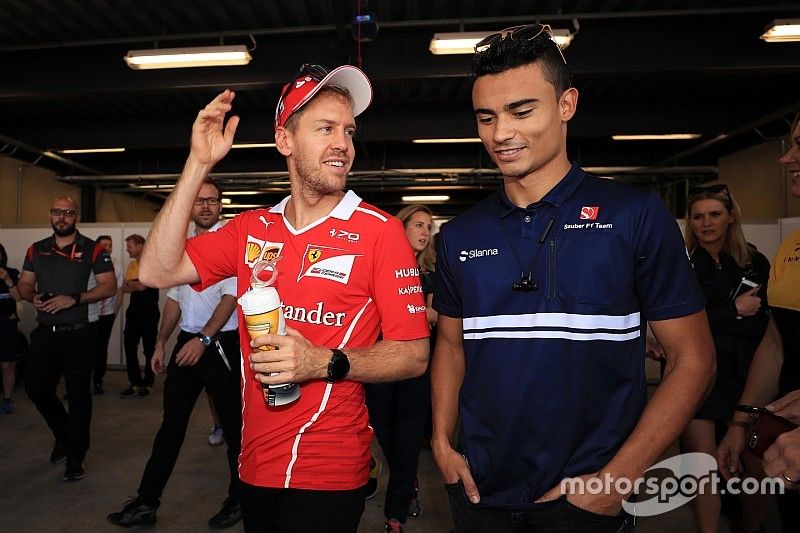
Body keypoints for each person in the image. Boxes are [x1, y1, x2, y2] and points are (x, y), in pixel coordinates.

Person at [431, 25, 715, 532]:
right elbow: (451, 347)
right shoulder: (457, 236)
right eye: (486, 117)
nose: (500, 134)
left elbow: (694, 360)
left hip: (590, 500)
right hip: (478, 495)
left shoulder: (635, 216)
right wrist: (440, 441)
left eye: (522, 111)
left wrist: (616, 482)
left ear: (567, 104)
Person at [137, 63, 429, 532]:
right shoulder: (253, 228)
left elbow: (414, 355)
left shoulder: (380, 232)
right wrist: (198, 163)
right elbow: (156, 269)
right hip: (253, 466)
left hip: (329, 470)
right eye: (326, 128)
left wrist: (324, 362)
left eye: (349, 131)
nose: (343, 143)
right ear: (286, 141)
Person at [108, 180, 243, 529]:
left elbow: (231, 298)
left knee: (235, 429)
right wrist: (160, 342)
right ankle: (146, 503)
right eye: (200, 201)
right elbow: (174, 298)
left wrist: (204, 339)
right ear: (191, 205)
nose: (207, 207)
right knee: (171, 426)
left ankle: (240, 499)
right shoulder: (181, 244)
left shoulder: (231, 243)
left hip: (221, 344)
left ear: (220, 205)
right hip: (187, 341)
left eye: (213, 201)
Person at [718, 112, 800, 532]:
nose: (787, 159)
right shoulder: (791, 246)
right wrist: (739, 423)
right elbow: (775, 345)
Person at [681, 185, 771, 533]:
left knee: (752, 456)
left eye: (714, 214)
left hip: (747, 372)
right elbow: (682, 323)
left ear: (730, 216)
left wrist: (716, 315)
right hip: (698, 370)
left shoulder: (754, 260)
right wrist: (733, 310)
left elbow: (764, 323)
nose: (706, 223)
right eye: (699, 216)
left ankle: (751, 527)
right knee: (701, 462)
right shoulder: (682, 264)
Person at [15, 196, 116, 481]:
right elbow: (24, 283)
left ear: (76, 216)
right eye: (57, 212)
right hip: (45, 333)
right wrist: (31, 295)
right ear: (51, 214)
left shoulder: (93, 249)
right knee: (35, 388)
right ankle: (64, 435)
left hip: (79, 335)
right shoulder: (36, 250)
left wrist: (74, 298)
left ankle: (75, 456)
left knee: (78, 396)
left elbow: (109, 287)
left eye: (68, 213)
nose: (62, 217)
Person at [364, 204, 436, 532]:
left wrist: (410, 310)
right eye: (418, 225)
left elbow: (438, 317)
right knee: (386, 434)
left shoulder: (431, 276)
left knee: (408, 441)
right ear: (400, 228)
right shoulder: (376, 269)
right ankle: (408, 484)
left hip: (416, 368)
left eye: (429, 226)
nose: (425, 232)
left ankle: (395, 517)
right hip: (379, 365)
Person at [121, 233, 159, 398]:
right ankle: (135, 383)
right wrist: (133, 284)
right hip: (134, 313)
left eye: (129, 246)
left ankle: (148, 384)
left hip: (149, 313)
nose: (127, 250)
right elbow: (125, 288)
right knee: (129, 347)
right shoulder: (131, 265)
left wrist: (132, 284)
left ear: (139, 246)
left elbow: (142, 286)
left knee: (149, 349)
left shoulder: (151, 263)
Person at [92, 235, 123, 395]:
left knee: (101, 348)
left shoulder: (116, 267)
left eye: (110, 245)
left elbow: (119, 292)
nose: (108, 248)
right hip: (89, 315)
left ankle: (98, 381)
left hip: (106, 315)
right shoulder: (89, 264)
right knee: (85, 348)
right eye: (104, 245)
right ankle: (81, 382)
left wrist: (114, 314)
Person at [0, 243, 22, 414]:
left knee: (7, 365)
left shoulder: (12, 273)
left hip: (7, 325)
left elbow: (19, 297)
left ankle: (7, 400)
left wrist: (7, 280)